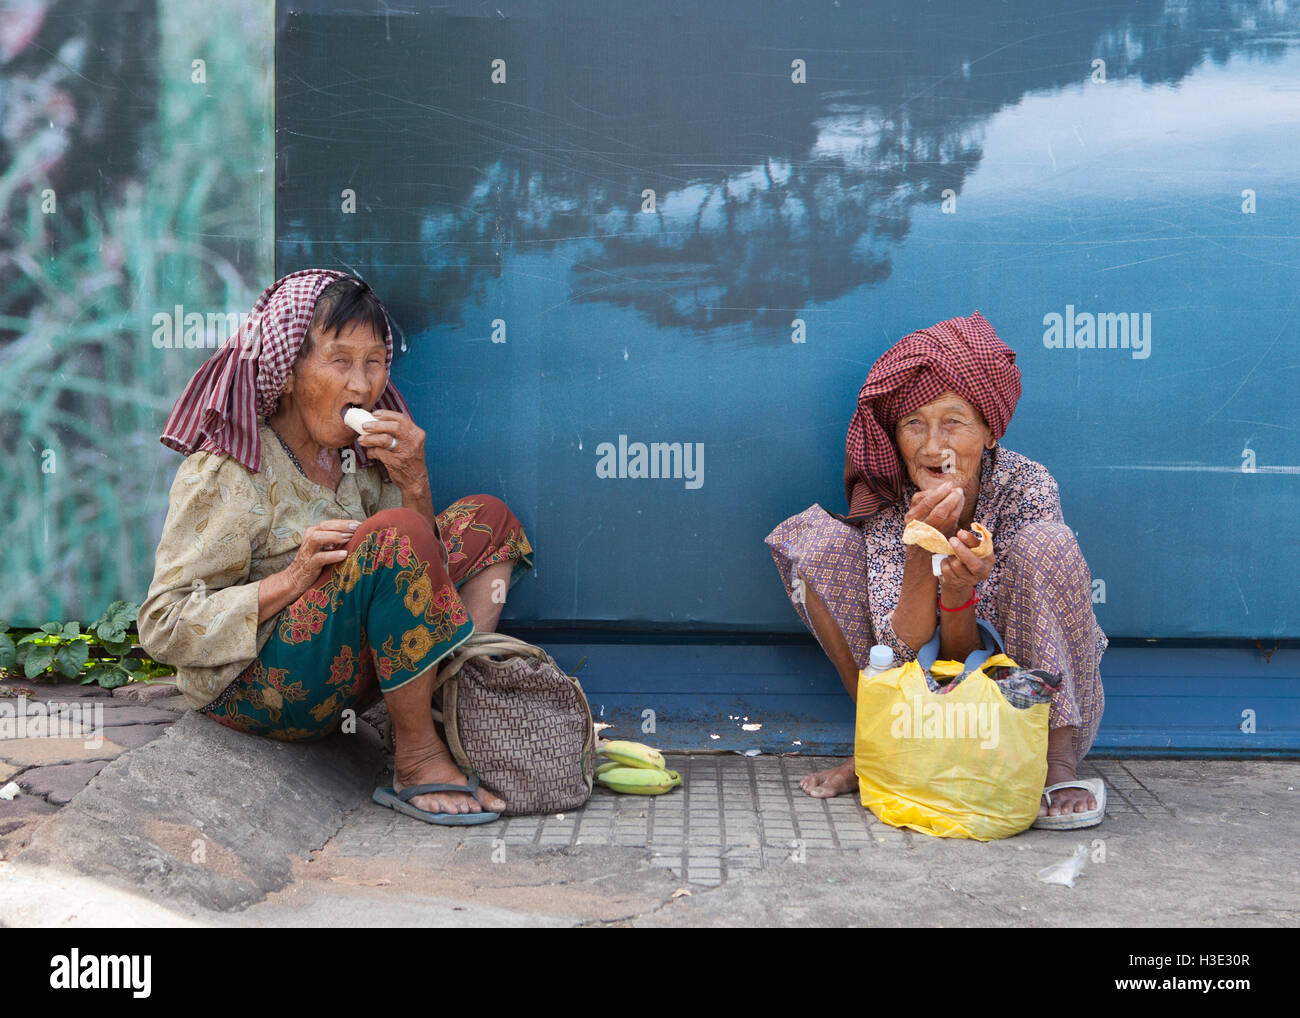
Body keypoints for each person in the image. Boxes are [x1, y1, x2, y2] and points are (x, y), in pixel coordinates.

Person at [139, 269, 533, 824]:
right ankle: (416, 757)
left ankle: (449, 716)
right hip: (258, 688)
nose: (362, 385)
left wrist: (415, 483)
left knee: (488, 520)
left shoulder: (363, 459)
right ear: (288, 371)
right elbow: (163, 624)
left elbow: (425, 575)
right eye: (340, 360)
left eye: (375, 362)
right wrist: (292, 578)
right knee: (392, 538)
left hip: (345, 671)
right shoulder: (228, 469)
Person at [764, 310, 1105, 827]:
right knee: (810, 544)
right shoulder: (891, 501)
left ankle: (1055, 759)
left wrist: (965, 588)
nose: (932, 446)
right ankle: (880, 744)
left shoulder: (1025, 486)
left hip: (1017, 702)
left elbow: (978, 656)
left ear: (989, 433)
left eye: (953, 422)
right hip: (925, 705)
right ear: (896, 440)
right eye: (913, 424)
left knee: (1049, 544)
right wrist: (924, 556)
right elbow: (904, 652)